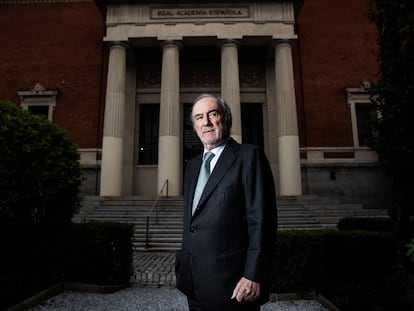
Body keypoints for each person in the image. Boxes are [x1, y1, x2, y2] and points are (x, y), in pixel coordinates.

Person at [175, 93, 277, 311]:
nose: (206, 122)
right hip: (193, 283)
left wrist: (253, 275)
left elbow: (262, 221)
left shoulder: (249, 156)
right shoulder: (192, 166)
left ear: (226, 119)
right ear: (194, 127)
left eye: (213, 114)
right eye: (199, 117)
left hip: (234, 286)